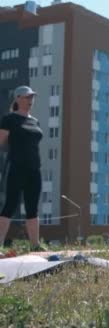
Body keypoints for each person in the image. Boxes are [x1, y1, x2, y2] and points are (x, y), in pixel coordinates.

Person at [0, 86, 46, 251]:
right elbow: (2, 143)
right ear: (18, 98)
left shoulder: (35, 121)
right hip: (16, 167)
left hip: (34, 169)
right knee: (10, 205)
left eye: (32, 97)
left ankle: (35, 245)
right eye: (27, 97)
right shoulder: (9, 119)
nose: (30, 100)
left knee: (32, 207)